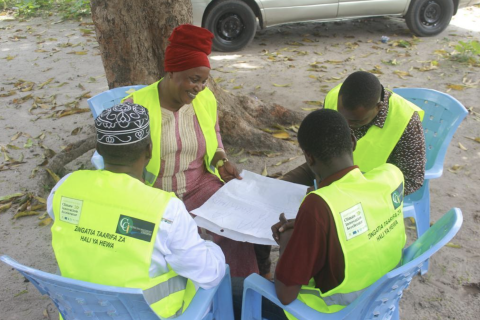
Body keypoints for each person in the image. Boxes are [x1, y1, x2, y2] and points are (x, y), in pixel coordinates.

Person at [47, 103, 225, 319]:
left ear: (100, 150)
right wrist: (210, 247)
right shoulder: (166, 210)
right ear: (149, 150)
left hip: (79, 313)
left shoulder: (64, 188)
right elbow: (208, 274)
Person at [232, 109, 406, 319]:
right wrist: (310, 227)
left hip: (332, 312)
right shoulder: (391, 176)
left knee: (228, 287)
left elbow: (285, 294)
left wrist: (286, 243)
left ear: (309, 158)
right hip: (379, 299)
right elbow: (359, 218)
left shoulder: (318, 206)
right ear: (352, 142)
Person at [122, 24, 261, 278]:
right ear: (172, 71)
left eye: (203, 81)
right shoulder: (136, 107)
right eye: (193, 79)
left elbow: (215, 138)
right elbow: (123, 165)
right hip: (156, 193)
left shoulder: (205, 100)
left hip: (199, 186)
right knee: (176, 246)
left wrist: (221, 161)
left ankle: (241, 293)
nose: (199, 88)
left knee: (236, 228)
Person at [283, 71, 426, 196]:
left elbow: (412, 180)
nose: (346, 124)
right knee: (274, 187)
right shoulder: (334, 97)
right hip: (329, 172)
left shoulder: (404, 120)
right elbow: (321, 153)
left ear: (378, 107)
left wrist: (347, 193)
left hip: (369, 191)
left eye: (355, 121)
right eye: (340, 116)